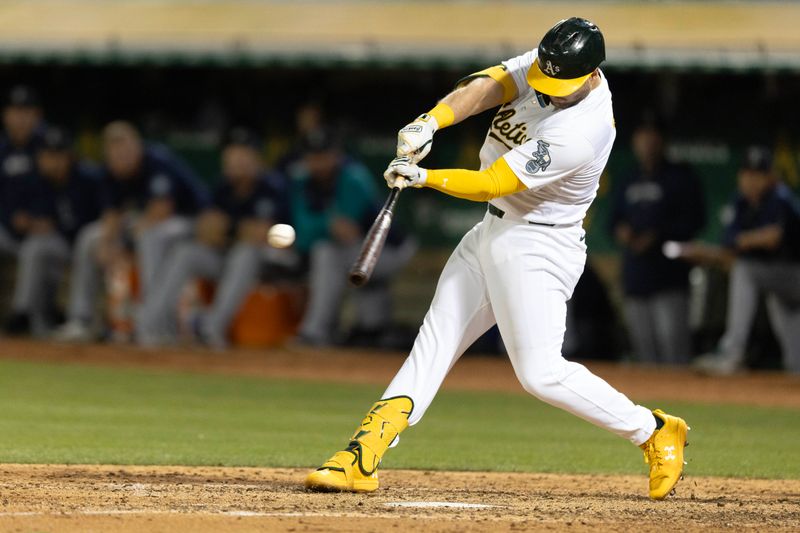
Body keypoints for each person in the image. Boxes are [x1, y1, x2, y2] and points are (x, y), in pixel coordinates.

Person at [305, 18, 688, 500]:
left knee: (540, 374)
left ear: (592, 74)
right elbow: (494, 83)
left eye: (559, 85)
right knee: (434, 343)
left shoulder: (583, 129)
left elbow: (494, 182)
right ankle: (362, 455)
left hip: (539, 246)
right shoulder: (553, 63)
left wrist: (424, 177)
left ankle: (652, 429)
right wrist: (431, 121)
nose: (547, 91)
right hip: (492, 230)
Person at [53, 121, 209, 342]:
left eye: (126, 150)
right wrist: (108, 243)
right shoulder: (109, 173)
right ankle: (81, 319)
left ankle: (152, 323)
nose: (122, 157)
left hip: (189, 221)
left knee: (150, 237)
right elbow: (112, 214)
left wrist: (124, 245)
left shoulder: (157, 162)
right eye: (115, 153)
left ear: (137, 147)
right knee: (90, 237)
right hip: (142, 223)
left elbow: (160, 211)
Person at [136, 128, 291, 347]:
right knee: (186, 252)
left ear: (256, 158)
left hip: (271, 262)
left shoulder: (272, 186)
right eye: (232, 154)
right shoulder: (222, 187)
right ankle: (151, 327)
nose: (236, 160)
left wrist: (228, 229)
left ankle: (212, 329)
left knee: (246, 252)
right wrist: (234, 230)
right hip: (228, 256)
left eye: (242, 154)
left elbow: (260, 234)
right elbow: (205, 229)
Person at [291, 128, 415, 347]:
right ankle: (366, 328)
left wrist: (317, 225)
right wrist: (327, 224)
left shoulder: (353, 178)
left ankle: (315, 331)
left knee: (327, 253)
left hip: (391, 249)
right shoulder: (303, 181)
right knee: (333, 255)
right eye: (313, 156)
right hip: (359, 250)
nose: (318, 162)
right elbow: (303, 233)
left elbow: (347, 233)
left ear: (335, 154)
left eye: (323, 155)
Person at [694, 146, 800, 374]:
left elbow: (773, 239)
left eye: (758, 174)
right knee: (796, 362)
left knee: (745, 270)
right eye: (747, 173)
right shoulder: (740, 202)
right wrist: (751, 239)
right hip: (779, 287)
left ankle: (732, 352)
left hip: (792, 275)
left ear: (770, 177)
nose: (752, 180)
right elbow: (728, 242)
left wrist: (746, 240)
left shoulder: (781, 198)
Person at [609, 122, 705, 365]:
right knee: (644, 350)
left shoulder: (680, 177)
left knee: (674, 347)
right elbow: (612, 221)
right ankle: (650, 402)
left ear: (662, 142)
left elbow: (695, 219)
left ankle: (685, 399)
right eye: (642, 139)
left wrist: (658, 235)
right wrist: (622, 231)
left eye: (652, 139)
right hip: (636, 274)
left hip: (669, 275)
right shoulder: (628, 178)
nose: (647, 145)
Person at [4, 126, 103, 336]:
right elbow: (16, 217)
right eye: (48, 155)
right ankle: (26, 313)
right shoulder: (34, 181)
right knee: (36, 245)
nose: (53, 161)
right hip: (58, 247)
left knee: (85, 239)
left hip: (88, 245)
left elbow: (108, 211)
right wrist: (31, 223)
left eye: (59, 154)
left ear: (70, 156)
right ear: (40, 157)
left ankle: (77, 318)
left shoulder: (90, 179)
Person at [0, 85, 45, 256]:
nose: (21, 118)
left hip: (41, 231)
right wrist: (9, 216)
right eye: (16, 112)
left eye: (27, 112)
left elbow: (62, 189)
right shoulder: (1, 150)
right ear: (6, 115)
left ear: (37, 115)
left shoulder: (50, 148)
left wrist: (35, 217)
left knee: (36, 248)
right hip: (4, 229)